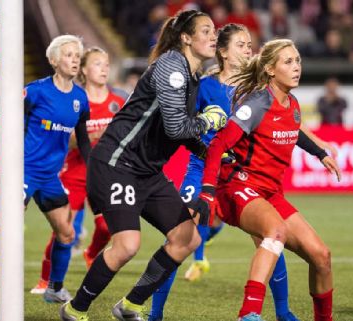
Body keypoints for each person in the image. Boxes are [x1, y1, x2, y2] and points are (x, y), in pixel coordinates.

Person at [59, 10, 227, 321]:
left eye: (214, 31)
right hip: (116, 163)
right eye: (205, 31)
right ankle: (75, 309)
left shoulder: (191, 76)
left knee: (187, 238)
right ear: (185, 38)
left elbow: (173, 131)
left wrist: (209, 153)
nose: (213, 36)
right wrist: (208, 121)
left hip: (147, 171)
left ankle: (130, 305)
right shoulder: (172, 67)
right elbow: (178, 128)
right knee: (127, 245)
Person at [149, 23, 302, 321]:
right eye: (242, 45)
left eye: (250, 44)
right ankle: (154, 314)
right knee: (180, 240)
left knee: (269, 239)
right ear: (223, 53)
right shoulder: (204, 86)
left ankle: (283, 313)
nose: (249, 49)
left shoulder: (259, 91)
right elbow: (178, 124)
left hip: (241, 177)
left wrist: (318, 150)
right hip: (201, 172)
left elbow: (290, 126)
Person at [191, 39, 341, 321]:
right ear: (270, 69)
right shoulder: (259, 102)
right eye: (288, 62)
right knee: (276, 233)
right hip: (239, 186)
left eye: (297, 60)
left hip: (270, 193)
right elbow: (219, 143)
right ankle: (248, 314)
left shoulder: (292, 103)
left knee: (322, 256)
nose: (296, 67)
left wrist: (320, 153)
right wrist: (208, 191)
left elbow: (293, 132)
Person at [0, 35, 92, 312]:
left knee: (66, 233)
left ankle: (54, 288)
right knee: (6, 228)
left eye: (77, 55)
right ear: (53, 61)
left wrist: (95, 167)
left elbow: (83, 138)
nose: (74, 59)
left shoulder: (80, 98)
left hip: (50, 177)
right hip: (24, 172)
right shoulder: (35, 91)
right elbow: (8, 119)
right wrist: (10, 158)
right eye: (68, 54)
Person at [30, 46, 127, 294]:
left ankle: (91, 253)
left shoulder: (119, 101)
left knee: (106, 227)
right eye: (97, 63)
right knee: (63, 230)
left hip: (103, 174)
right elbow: (69, 138)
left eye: (106, 64)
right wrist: (96, 134)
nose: (104, 68)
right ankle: (45, 279)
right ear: (84, 69)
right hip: (72, 174)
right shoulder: (75, 99)